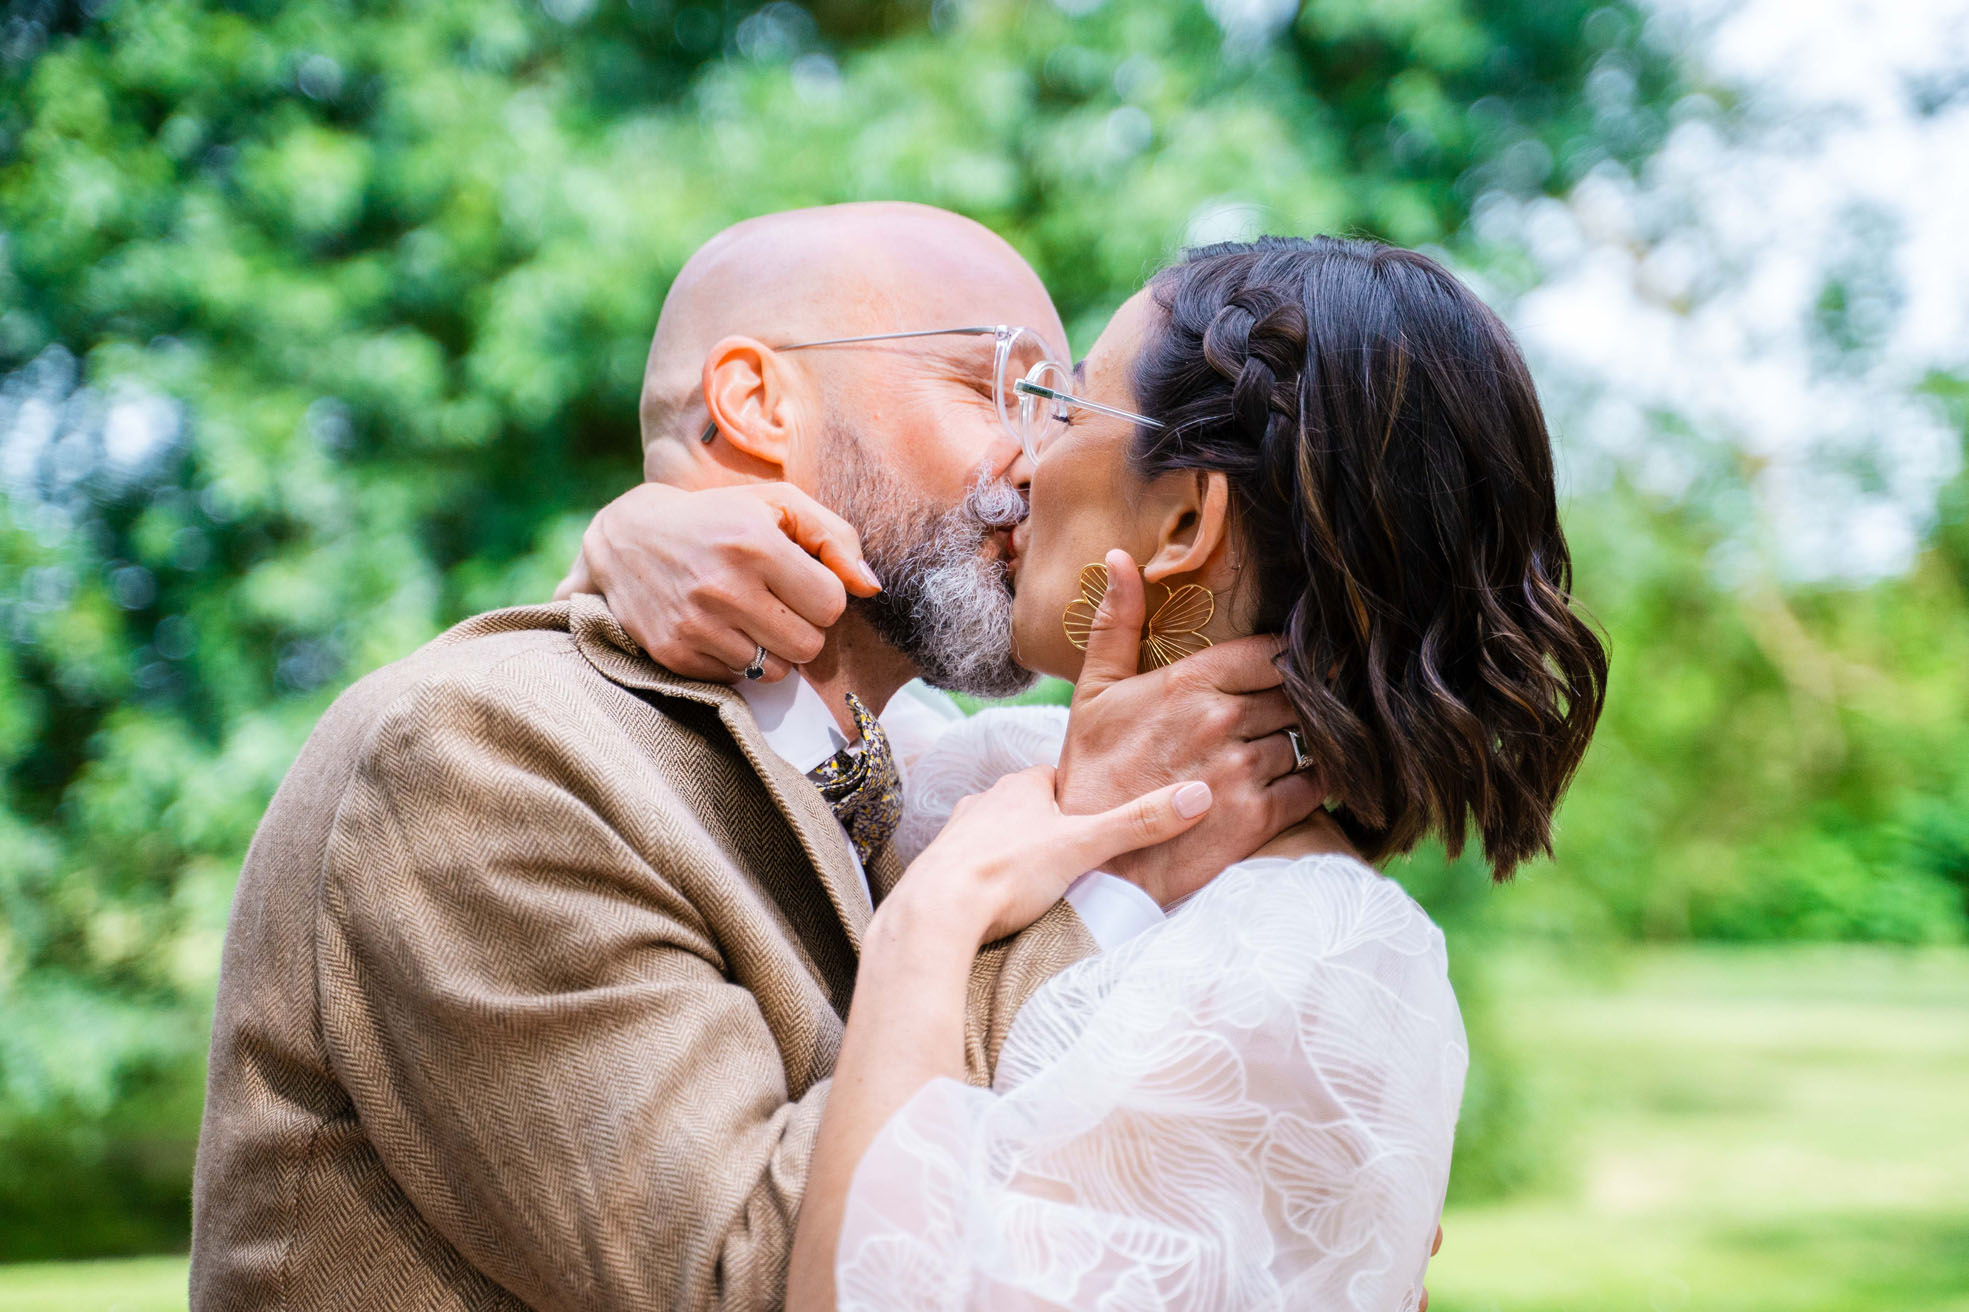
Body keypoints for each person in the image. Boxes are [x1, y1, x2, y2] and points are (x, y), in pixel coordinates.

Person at [187, 204, 1318, 1310]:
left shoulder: (905, 766)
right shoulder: (483, 753)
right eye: (995, 385)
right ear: (754, 400)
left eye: (1057, 403)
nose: (1043, 460)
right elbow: (767, 1278)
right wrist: (1110, 880)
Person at [576, 235, 1608, 1309]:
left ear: (1183, 522)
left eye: (1065, 412)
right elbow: (772, 725)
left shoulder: (1308, 965)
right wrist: (626, 532)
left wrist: (932, 926)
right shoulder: (997, 769)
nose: (1023, 461)